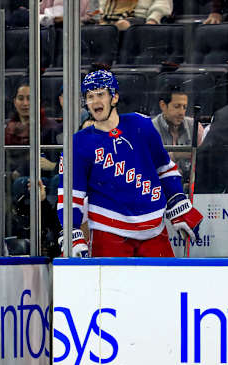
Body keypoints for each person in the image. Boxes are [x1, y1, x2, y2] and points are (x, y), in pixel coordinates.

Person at [57, 69, 203, 257]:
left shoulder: (141, 125)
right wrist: (73, 232)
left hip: (154, 229)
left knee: (163, 285)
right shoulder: (77, 143)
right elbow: (70, 194)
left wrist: (177, 203)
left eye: (101, 94)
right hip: (108, 231)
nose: (95, 101)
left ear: (114, 97)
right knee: (112, 287)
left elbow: (164, 168)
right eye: (90, 96)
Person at [151, 85, 204, 189]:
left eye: (184, 107)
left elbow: (204, 162)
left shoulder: (195, 127)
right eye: (177, 106)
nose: (181, 112)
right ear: (163, 106)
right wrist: (175, 155)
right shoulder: (150, 129)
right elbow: (147, 165)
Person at [99, 0, 173, 30]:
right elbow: (102, 6)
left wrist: (153, 20)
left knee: (122, 24)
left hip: (141, 17)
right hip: (109, 18)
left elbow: (162, 4)